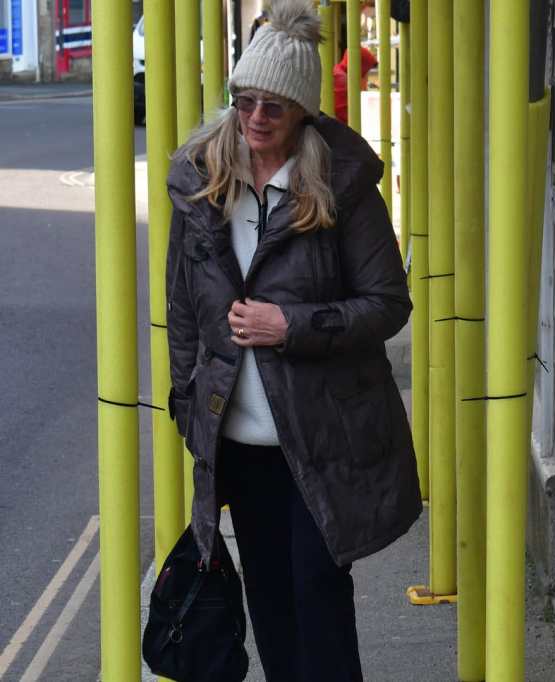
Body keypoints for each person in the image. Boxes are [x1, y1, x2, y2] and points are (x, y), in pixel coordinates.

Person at [164, 1, 421, 679]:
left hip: (322, 435)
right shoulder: (200, 182)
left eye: (273, 107)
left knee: (318, 595)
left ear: (302, 111)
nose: (254, 118)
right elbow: (182, 309)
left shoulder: (342, 186)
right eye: (243, 100)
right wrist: (188, 404)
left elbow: (388, 303)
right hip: (238, 442)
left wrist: (291, 326)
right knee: (270, 602)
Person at [333, 46, 378, 124]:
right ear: (361, 67)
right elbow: (348, 118)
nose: (366, 78)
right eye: (366, 72)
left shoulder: (337, 70)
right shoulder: (345, 83)